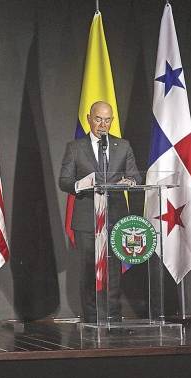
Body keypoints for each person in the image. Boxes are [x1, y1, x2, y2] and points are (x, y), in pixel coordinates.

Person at [59, 101, 141, 323]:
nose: (102, 125)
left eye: (107, 120)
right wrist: (80, 185)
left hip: (115, 216)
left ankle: (113, 315)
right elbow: (64, 181)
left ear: (112, 121)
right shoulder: (75, 147)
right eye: (98, 119)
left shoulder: (122, 146)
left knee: (113, 269)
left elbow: (136, 176)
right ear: (89, 118)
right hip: (87, 217)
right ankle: (91, 317)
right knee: (89, 269)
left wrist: (130, 181)